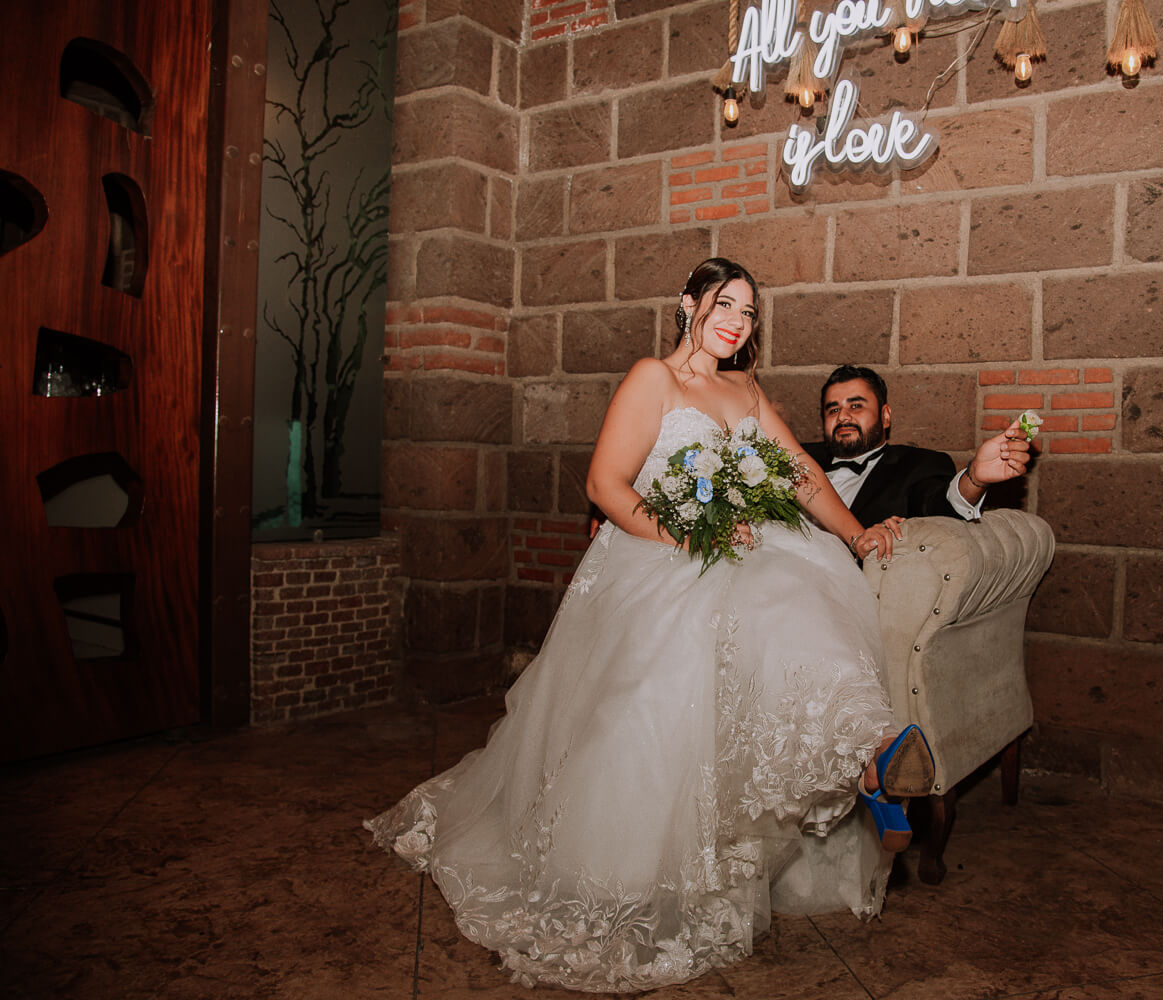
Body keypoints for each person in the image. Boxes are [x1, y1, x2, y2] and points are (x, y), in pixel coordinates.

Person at [365, 259, 935, 993]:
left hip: (744, 543)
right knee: (672, 687)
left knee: (802, 602)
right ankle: (623, 875)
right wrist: (687, 538)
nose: (737, 320)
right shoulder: (652, 380)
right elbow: (604, 483)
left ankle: (871, 756)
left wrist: (856, 537)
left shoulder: (744, 389)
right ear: (688, 305)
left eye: (750, 312)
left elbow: (799, 474)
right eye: (725, 304)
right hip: (661, 547)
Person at [802, 364, 1033, 526]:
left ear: (885, 416)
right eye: (833, 409)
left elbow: (937, 508)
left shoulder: (916, 466)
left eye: (856, 406)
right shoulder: (794, 456)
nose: (842, 417)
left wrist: (974, 479)